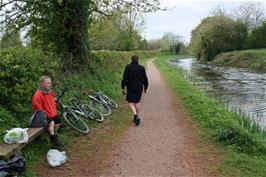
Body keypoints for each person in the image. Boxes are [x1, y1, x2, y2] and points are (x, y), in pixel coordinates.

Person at [32, 76, 63, 147]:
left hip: (52, 113)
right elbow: (38, 109)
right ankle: (53, 139)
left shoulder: (49, 91)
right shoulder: (37, 95)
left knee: (58, 122)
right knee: (51, 123)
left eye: (50, 83)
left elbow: (52, 100)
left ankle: (54, 133)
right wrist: (47, 116)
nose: (50, 85)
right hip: (43, 115)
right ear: (41, 84)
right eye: (47, 83)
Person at [121, 55, 148, 126]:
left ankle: (136, 115)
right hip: (139, 87)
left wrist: (123, 87)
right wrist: (145, 87)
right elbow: (145, 79)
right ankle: (136, 116)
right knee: (137, 101)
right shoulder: (141, 68)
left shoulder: (128, 67)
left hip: (130, 87)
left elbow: (124, 78)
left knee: (130, 101)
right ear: (138, 60)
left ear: (131, 59)